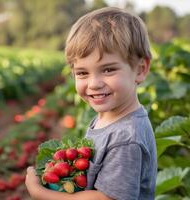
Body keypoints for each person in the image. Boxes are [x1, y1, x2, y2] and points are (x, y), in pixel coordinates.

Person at [25, 6, 157, 200]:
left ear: (140, 69)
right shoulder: (108, 117)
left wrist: (40, 193)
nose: (94, 84)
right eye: (82, 73)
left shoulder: (126, 137)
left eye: (108, 70)